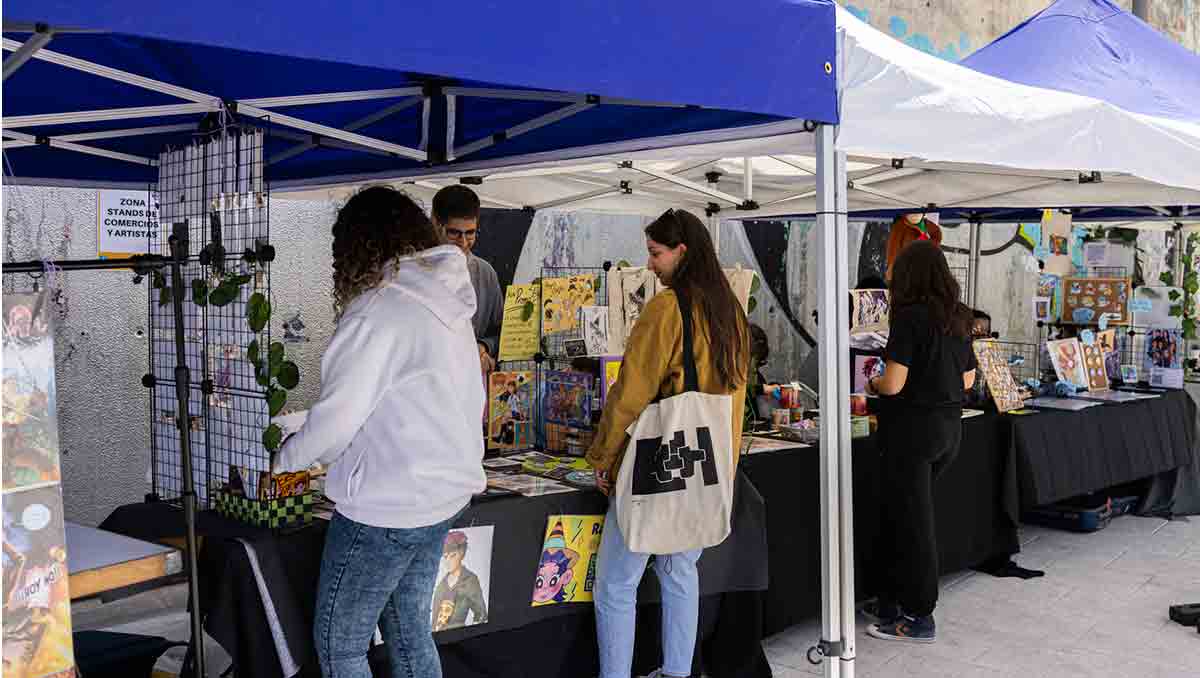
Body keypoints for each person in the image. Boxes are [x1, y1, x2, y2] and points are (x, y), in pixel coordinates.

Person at [273, 186, 485, 678]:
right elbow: (403, 401)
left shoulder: (378, 308)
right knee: (409, 632)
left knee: (340, 645)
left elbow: (339, 423)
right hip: (441, 496)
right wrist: (305, 425)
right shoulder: (443, 303)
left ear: (356, 247)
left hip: (387, 507)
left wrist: (284, 459)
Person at [586, 208, 750, 678]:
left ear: (682, 251)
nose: (650, 264)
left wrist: (604, 456)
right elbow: (735, 401)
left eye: (656, 254)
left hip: (658, 462)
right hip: (707, 462)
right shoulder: (729, 309)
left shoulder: (666, 308)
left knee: (617, 583)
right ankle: (678, 672)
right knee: (681, 572)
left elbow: (631, 392)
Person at [864, 241, 976, 643]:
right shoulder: (960, 317)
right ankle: (891, 600)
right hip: (949, 430)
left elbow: (893, 384)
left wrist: (872, 382)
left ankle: (918, 616)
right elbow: (968, 380)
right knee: (905, 518)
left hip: (912, 433)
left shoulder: (910, 318)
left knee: (911, 526)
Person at [432, 185, 504, 374]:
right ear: (435, 224)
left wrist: (483, 347)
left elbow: (501, 333)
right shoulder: (414, 273)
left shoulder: (485, 273)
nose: (463, 243)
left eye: (470, 233)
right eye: (454, 233)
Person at [431, 531, 488, 632]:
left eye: (453, 555)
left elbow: (481, 615)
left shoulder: (470, 580)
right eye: (445, 557)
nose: (448, 561)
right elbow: (434, 620)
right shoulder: (441, 584)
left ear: (461, 554)